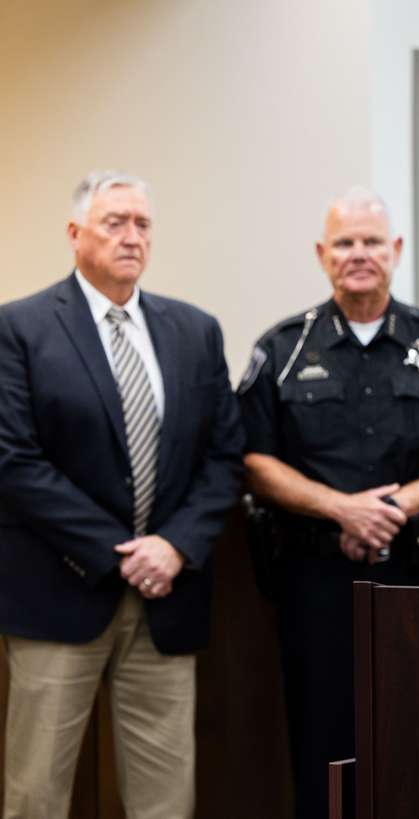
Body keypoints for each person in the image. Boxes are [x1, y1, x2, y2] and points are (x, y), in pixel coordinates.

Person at [237, 188, 419, 819]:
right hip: (317, 580)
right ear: (321, 254)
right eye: (344, 243)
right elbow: (253, 462)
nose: (358, 254)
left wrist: (392, 507)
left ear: (396, 250)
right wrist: (341, 508)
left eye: (370, 242)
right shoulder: (281, 349)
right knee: (321, 737)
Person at [0, 171, 244, 819]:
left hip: (167, 596)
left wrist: (174, 546)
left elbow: (224, 457)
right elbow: (13, 459)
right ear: (75, 234)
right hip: (60, 593)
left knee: (166, 797)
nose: (131, 236)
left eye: (142, 224)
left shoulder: (195, 331)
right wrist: (119, 552)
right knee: (36, 793)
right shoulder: (19, 328)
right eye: (115, 222)